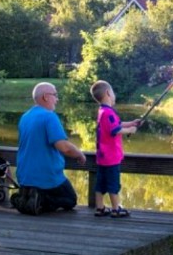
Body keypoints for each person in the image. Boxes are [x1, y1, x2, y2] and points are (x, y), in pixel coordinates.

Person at [15, 82, 86, 215]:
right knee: (70, 199)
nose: (57, 99)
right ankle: (40, 200)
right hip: (46, 176)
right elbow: (64, 147)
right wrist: (80, 155)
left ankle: (24, 198)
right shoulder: (49, 116)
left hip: (24, 176)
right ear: (46, 97)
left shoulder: (25, 117)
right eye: (55, 95)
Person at [90, 80, 140, 218]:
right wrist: (130, 129)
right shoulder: (109, 113)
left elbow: (117, 124)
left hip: (102, 157)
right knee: (113, 184)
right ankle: (116, 209)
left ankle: (100, 208)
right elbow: (115, 129)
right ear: (107, 93)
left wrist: (131, 123)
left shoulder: (102, 111)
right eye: (112, 92)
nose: (113, 94)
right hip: (111, 157)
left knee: (100, 183)